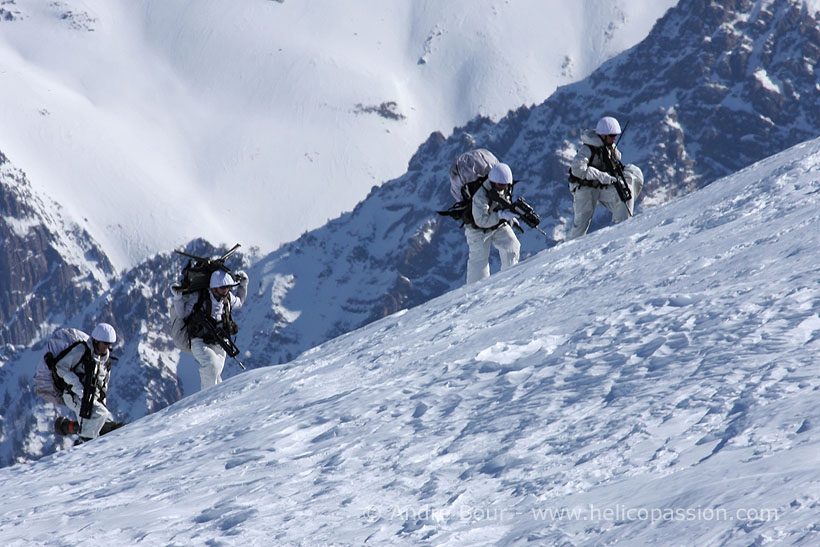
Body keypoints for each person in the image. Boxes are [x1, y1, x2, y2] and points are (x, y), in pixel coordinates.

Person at [566, 116, 644, 240]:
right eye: (612, 135)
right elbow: (578, 169)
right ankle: (566, 251)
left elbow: (616, 159)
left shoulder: (609, 147)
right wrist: (601, 176)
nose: (614, 139)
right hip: (584, 189)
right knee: (580, 225)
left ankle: (623, 231)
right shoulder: (587, 149)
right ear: (603, 135)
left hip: (602, 187)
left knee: (623, 196)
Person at [172, 269, 248, 389]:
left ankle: (217, 400)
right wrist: (178, 298)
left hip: (221, 342)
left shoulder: (227, 298)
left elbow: (239, 302)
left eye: (227, 287)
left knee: (216, 371)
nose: (226, 290)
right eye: (223, 288)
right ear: (214, 288)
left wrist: (243, 286)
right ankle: (207, 401)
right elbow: (182, 314)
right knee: (211, 366)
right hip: (200, 341)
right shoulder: (199, 298)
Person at [51, 323, 118, 441]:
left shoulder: (106, 362)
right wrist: (79, 388)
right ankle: (85, 443)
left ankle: (67, 427)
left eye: (109, 344)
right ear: (96, 341)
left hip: (93, 398)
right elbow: (61, 368)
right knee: (100, 415)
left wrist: (101, 401)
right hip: (74, 394)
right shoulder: (81, 351)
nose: (106, 347)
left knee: (102, 424)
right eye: (105, 343)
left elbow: (103, 386)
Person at [465, 162, 521, 284]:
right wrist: (501, 215)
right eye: (501, 185)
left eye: (505, 185)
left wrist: (510, 217)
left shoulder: (505, 188)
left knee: (512, 245)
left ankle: (509, 280)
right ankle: (475, 294)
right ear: (493, 181)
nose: (503, 187)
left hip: (497, 225)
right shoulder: (480, 195)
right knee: (479, 264)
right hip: (478, 231)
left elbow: (504, 202)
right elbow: (481, 221)